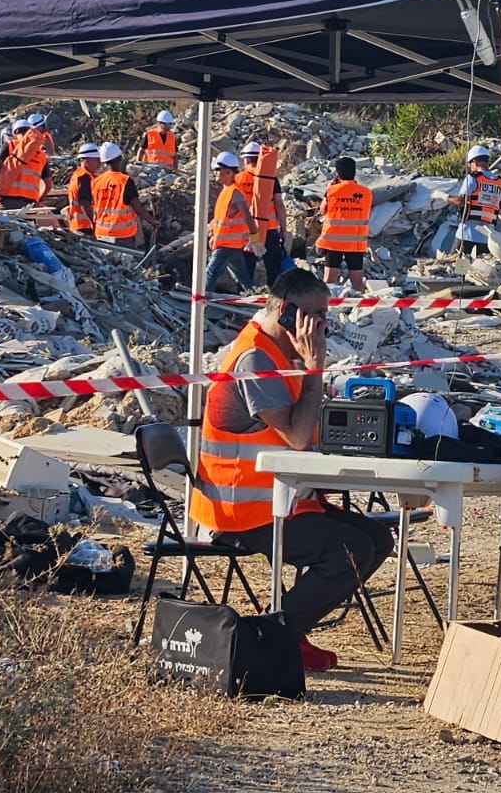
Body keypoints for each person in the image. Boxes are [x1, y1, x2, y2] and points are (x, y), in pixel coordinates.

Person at [189, 267, 395, 672]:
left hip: (280, 500)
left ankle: (288, 629)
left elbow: (308, 430)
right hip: (241, 510)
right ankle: (269, 636)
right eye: (316, 315)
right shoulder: (255, 358)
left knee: (376, 538)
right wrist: (315, 367)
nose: (322, 325)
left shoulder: (280, 355)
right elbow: (298, 437)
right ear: (286, 312)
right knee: (349, 550)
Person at [317, 156, 373, 293]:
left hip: (333, 241)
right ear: (354, 172)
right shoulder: (366, 192)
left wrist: (330, 188)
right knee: (357, 282)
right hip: (356, 242)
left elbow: (322, 210)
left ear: (337, 173)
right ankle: (360, 308)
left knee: (329, 280)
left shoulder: (331, 191)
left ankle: (326, 309)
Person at [237, 142, 288, 285]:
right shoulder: (271, 179)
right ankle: (275, 297)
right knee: (273, 267)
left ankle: (244, 296)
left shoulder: (238, 179)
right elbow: (279, 205)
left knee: (246, 267)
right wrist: (283, 229)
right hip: (270, 228)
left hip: (245, 230)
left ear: (245, 159)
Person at [91, 142, 160, 246]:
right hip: (121, 236)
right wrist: (153, 221)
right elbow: (138, 209)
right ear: (120, 159)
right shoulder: (125, 181)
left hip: (101, 233)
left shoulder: (96, 181)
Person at [205, 151, 255, 293]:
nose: (215, 173)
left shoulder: (235, 192)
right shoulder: (226, 191)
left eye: (217, 170)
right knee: (243, 278)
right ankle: (254, 296)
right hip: (229, 244)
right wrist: (215, 236)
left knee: (210, 274)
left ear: (228, 172)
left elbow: (247, 216)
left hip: (227, 246)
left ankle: (200, 303)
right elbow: (224, 219)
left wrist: (254, 238)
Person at [446, 145, 501, 256]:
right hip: (486, 240)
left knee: (459, 269)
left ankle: (461, 273)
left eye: (469, 164)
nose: (469, 167)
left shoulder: (472, 178)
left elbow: (460, 202)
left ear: (474, 162)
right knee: (479, 270)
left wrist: (445, 198)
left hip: (466, 236)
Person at [64, 142, 102, 236]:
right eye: (97, 160)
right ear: (87, 161)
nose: (99, 163)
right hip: (85, 226)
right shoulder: (84, 177)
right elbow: (84, 202)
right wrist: (94, 222)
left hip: (80, 225)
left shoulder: (79, 174)